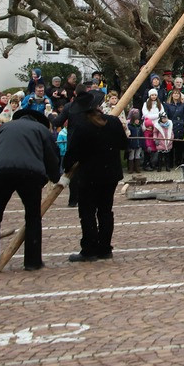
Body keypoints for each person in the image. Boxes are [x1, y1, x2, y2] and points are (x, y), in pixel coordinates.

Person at [0, 108, 62, 274]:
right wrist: (55, 177)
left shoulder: (2, 128)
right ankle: (32, 261)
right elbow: (51, 156)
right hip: (29, 174)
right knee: (33, 217)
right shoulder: (41, 130)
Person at [64, 89, 128, 262]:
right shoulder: (113, 122)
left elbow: (72, 153)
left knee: (87, 212)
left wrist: (66, 169)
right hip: (110, 174)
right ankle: (105, 248)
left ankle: (89, 249)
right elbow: (124, 144)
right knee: (105, 211)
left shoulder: (82, 127)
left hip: (90, 175)